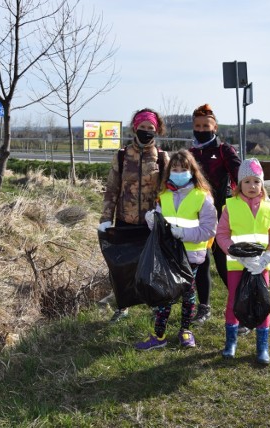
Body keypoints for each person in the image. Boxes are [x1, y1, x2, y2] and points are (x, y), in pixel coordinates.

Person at [135, 149, 217, 350]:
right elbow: (162, 226)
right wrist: (152, 220)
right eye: (175, 169)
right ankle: (159, 335)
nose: (179, 172)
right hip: (168, 255)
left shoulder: (202, 197)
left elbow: (209, 229)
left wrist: (183, 234)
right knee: (165, 295)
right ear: (169, 171)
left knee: (189, 295)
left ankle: (186, 331)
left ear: (192, 171)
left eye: (183, 169)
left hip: (191, 256)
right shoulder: (164, 195)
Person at [98, 108, 170, 322]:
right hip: (124, 220)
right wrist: (105, 219)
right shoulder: (121, 156)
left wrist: (162, 214)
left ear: (156, 131)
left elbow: (167, 191)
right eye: (142, 127)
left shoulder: (162, 158)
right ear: (134, 128)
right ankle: (122, 305)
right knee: (121, 267)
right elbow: (111, 189)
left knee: (151, 265)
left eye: (151, 128)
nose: (146, 131)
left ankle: (155, 304)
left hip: (150, 223)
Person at [215, 158, 270, 364]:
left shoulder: (269, 208)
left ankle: (262, 347)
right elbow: (222, 234)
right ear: (239, 184)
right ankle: (231, 342)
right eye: (247, 182)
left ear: (262, 184)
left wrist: (269, 256)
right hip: (237, 265)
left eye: (256, 181)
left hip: (260, 267)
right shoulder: (231, 206)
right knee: (233, 302)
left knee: (262, 302)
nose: (252, 186)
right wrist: (236, 254)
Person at [188, 103, 241, 326]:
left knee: (223, 263)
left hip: (220, 216)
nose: (202, 130)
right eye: (198, 126)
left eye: (206, 126)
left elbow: (242, 178)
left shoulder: (224, 151)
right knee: (201, 262)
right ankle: (204, 307)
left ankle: (241, 306)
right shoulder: (189, 153)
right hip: (196, 216)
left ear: (215, 127)